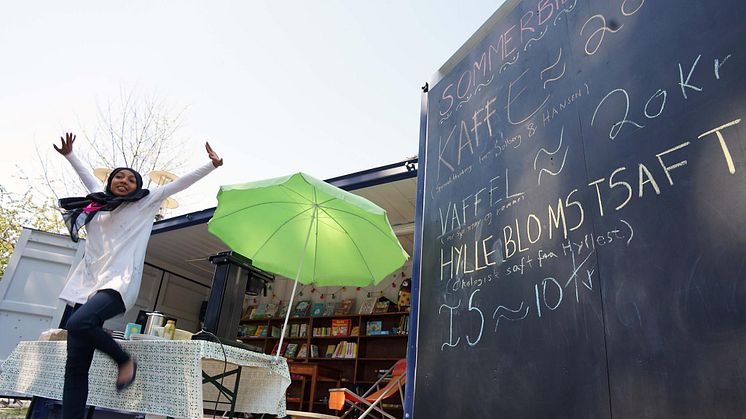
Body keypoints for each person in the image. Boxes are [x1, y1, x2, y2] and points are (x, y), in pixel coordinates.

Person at [53, 132, 223, 419]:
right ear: (110, 182)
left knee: (79, 322)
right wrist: (70, 155)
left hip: (119, 282)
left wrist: (211, 166)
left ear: (138, 187)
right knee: (76, 366)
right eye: (118, 177)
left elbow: (177, 185)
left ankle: (124, 360)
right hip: (87, 284)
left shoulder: (144, 205)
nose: (123, 181)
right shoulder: (98, 204)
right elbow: (87, 178)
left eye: (131, 179)